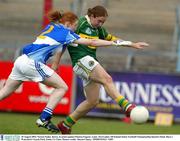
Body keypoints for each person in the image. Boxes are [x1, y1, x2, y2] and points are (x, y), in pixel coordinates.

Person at [0, 10, 127, 133]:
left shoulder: (50, 27)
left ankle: (44, 118)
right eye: (75, 26)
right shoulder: (66, 32)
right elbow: (91, 41)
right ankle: (44, 118)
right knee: (62, 87)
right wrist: (114, 43)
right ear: (68, 24)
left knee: (5, 92)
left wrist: (55, 64)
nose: (75, 28)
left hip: (20, 61)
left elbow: (58, 47)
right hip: (32, 63)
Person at [57, 5, 149, 134]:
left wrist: (132, 44)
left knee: (92, 101)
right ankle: (127, 106)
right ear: (92, 16)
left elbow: (112, 39)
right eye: (99, 20)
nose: (100, 24)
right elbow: (63, 41)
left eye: (103, 22)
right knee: (107, 79)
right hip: (81, 61)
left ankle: (66, 124)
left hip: (89, 63)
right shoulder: (80, 24)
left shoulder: (98, 29)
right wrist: (56, 62)